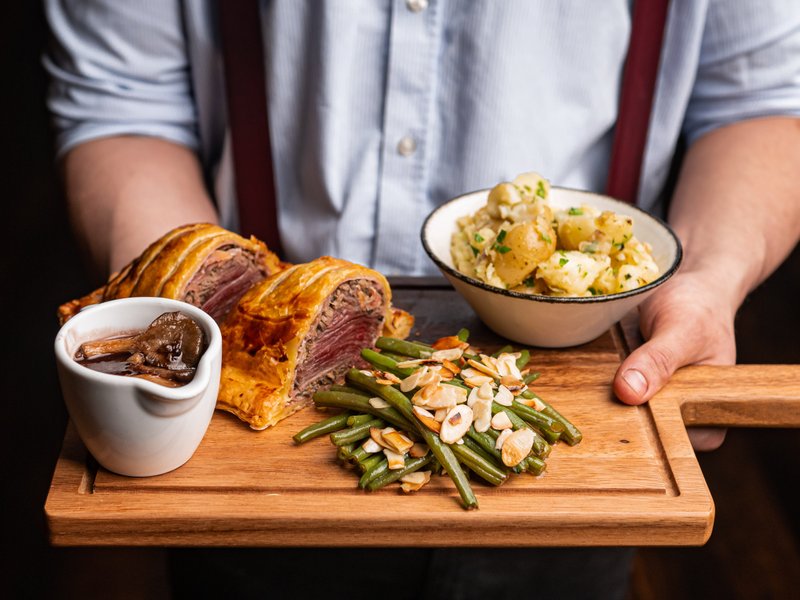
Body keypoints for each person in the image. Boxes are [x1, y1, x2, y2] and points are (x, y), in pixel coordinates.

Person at [44, 1, 800, 598]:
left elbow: (763, 100)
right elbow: (124, 100)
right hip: (242, 475)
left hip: (580, 415)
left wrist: (712, 276)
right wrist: (175, 324)